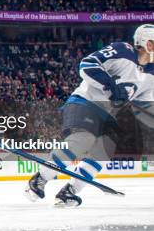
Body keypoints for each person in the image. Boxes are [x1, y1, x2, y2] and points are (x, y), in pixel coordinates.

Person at [25, 24, 154, 206]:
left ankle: (70, 191)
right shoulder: (123, 50)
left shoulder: (151, 73)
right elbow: (87, 64)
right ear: (145, 43)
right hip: (84, 102)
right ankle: (40, 178)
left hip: (107, 115)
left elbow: (145, 107)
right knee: (84, 139)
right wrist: (110, 86)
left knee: (106, 149)